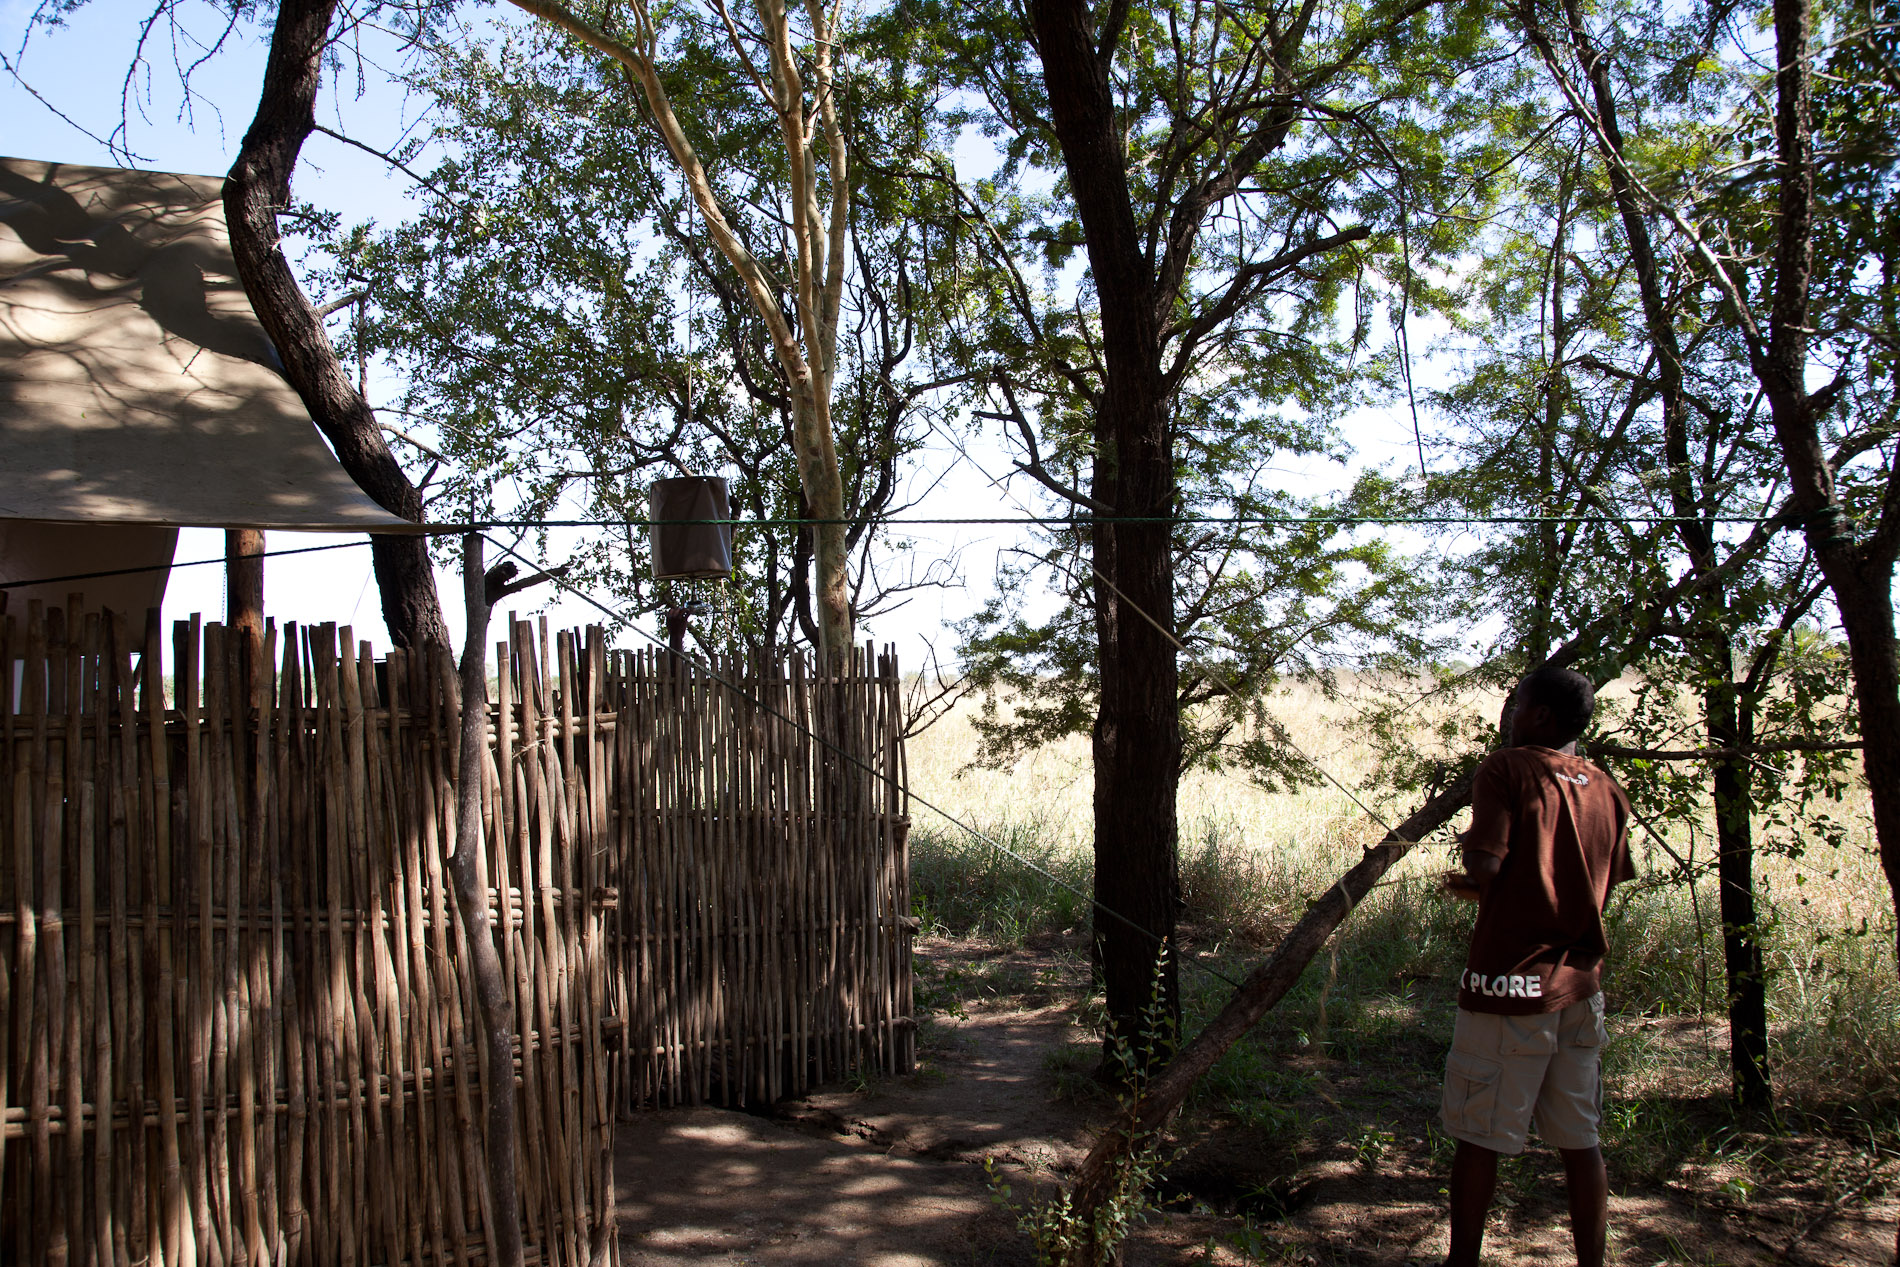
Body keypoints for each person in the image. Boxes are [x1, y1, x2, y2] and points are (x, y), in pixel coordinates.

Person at [1438, 665, 1635, 1267]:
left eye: (1518, 705)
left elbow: (1489, 864)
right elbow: (1598, 881)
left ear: (1541, 716)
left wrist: (1472, 876)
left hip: (1509, 985)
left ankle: (1461, 1263)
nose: (1511, 716)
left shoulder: (1506, 768)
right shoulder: (1607, 788)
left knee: (1478, 1136)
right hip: (1580, 989)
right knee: (1582, 1139)